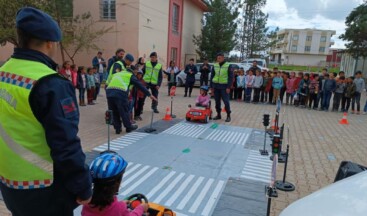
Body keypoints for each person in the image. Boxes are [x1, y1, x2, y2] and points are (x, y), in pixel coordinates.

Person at [0, 7, 92, 216]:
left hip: (9, 183)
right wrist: (83, 186)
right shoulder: (50, 83)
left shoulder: (3, 73)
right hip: (44, 189)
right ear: (50, 43)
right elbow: (66, 144)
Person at [82, 152, 148, 216]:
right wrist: (141, 208)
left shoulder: (86, 203)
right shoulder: (120, 209)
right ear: (117, 183)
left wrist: (120, 204)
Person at [107, 55, 157, 133]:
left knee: (114, 111)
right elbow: (140, 85)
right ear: (132, 73)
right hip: (120, 93)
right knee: (124, 110)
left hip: (109, 92)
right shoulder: (130, 75)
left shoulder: (118, 73)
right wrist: (149, 94)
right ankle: (128, 127)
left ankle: (117, 129)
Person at [210, 52, 234, 122]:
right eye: (217, 58)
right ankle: (218, 114)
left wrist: (228, 87)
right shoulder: (215, 65)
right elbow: (212, 76)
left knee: (226, 102)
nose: (218, 59)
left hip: (224, 86)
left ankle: (228, 115)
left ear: (223, 58)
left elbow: (231, 77)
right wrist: (211, 87)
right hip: (216, 86)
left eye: (219, 58)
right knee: (217, 101)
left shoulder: (228, 65)